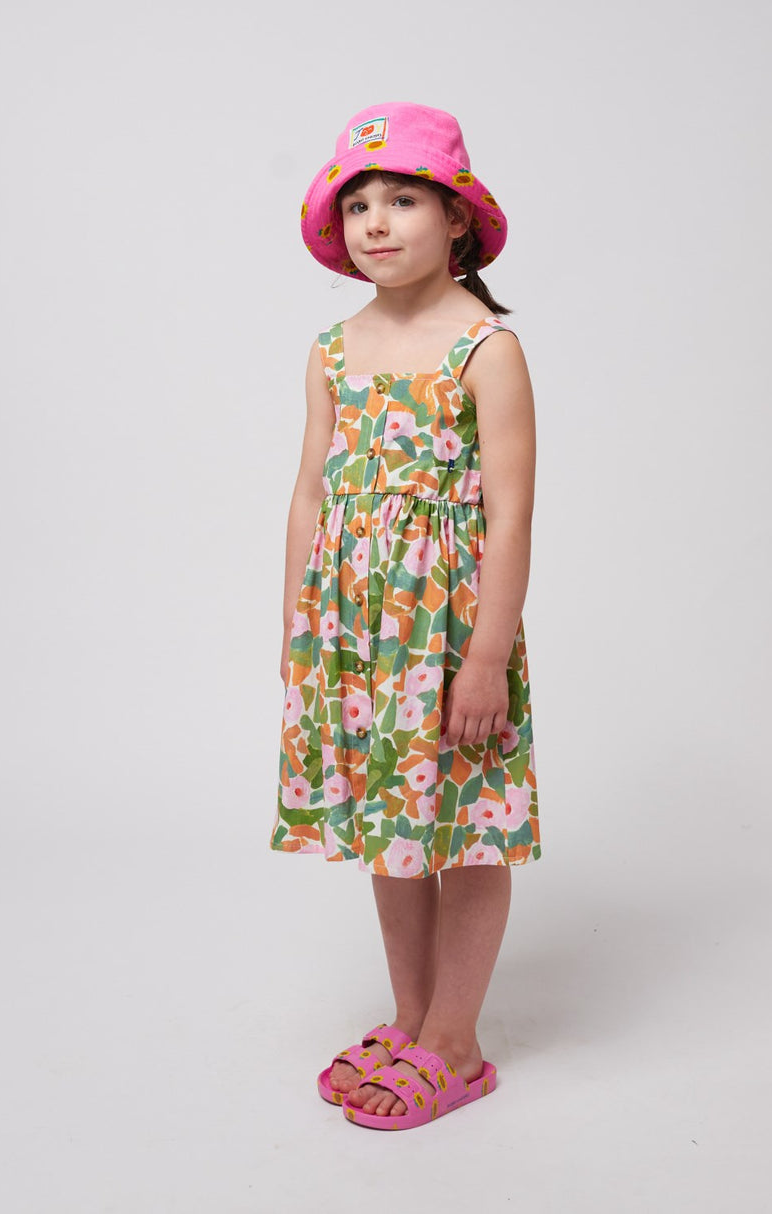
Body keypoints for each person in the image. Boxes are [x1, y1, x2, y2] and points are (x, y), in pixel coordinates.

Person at [271, 101, 542, 1130]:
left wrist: (485, 656)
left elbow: (511, 516)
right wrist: (297, 630)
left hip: (449, 633)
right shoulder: (333, 351)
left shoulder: (486, 349)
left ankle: (456, 1042)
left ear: (457, 219)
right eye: (358, 206)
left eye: (403, 201)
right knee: (392, 821)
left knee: (464, 826)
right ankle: (412, 1016)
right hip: (356, 634)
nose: (375, 223)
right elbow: (309, 492)